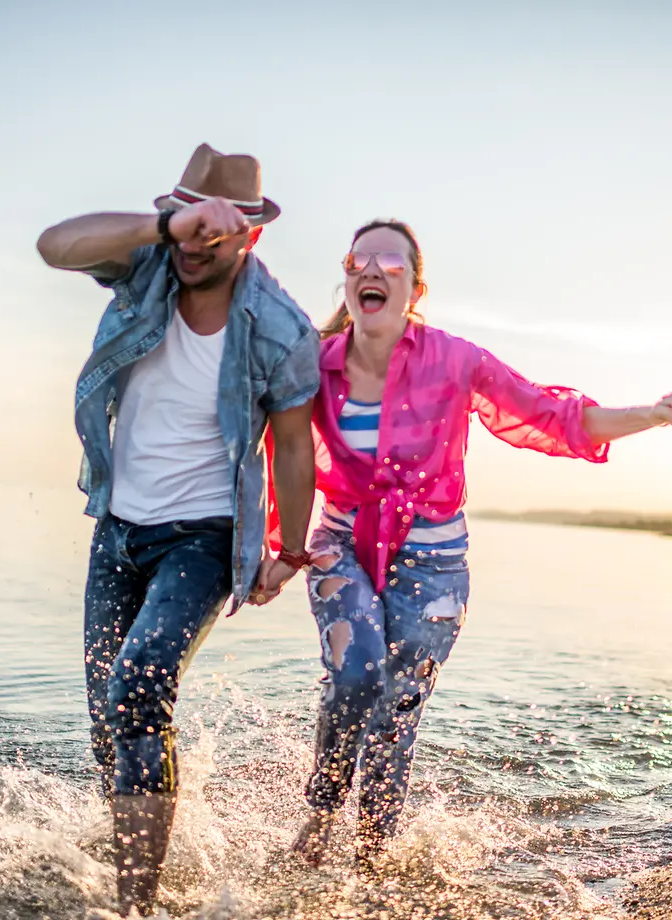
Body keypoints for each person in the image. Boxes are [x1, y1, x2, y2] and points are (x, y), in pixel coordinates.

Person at [282, 217, 672, 869]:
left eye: (392, 261)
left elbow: (554, 416)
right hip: (342, 545)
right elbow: (277, 448)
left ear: (415, 288)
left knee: (398, 701)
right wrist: (268, 549)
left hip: (434, 560)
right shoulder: (313, 366)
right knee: (354, 674)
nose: (373, 269)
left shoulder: (456, 361)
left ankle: (372, 856)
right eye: (360, 259)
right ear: (347, 277)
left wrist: (656, 412)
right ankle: (321, 813)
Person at [36, 143, 319, 917]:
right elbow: (53, 245)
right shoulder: (147, 264)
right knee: (110, 713)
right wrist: (170, 225)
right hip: (119, 530)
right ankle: (141, 825)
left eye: (211, 237)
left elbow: (294, 445)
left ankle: (136, 903)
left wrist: (289, 552)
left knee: (139, 686)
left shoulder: (281, 327)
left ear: (249, 236)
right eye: (184, 230)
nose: (193, 251)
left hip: (203, 537)